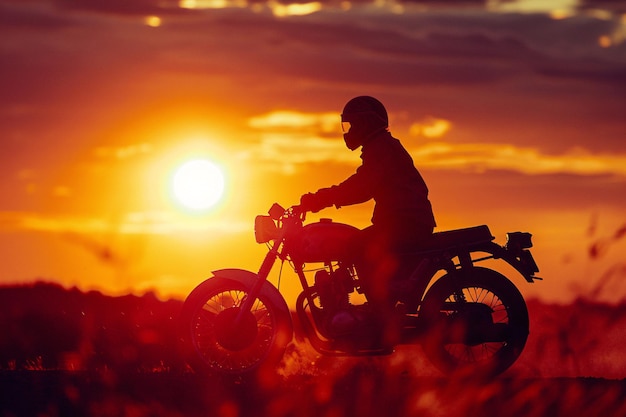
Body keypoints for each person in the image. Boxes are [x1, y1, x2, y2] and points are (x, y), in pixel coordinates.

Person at [299, 96, 436, 345]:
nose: (348, 132)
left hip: (406, 223)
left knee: (358, 246)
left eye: (351, 125)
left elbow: (361, 187)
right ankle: (371, 311)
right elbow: (363, 184)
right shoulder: (381, 147)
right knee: (357, 244)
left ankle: (380, 318)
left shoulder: (382, 148)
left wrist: (319, 199)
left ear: (365, 123)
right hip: (403, 221)